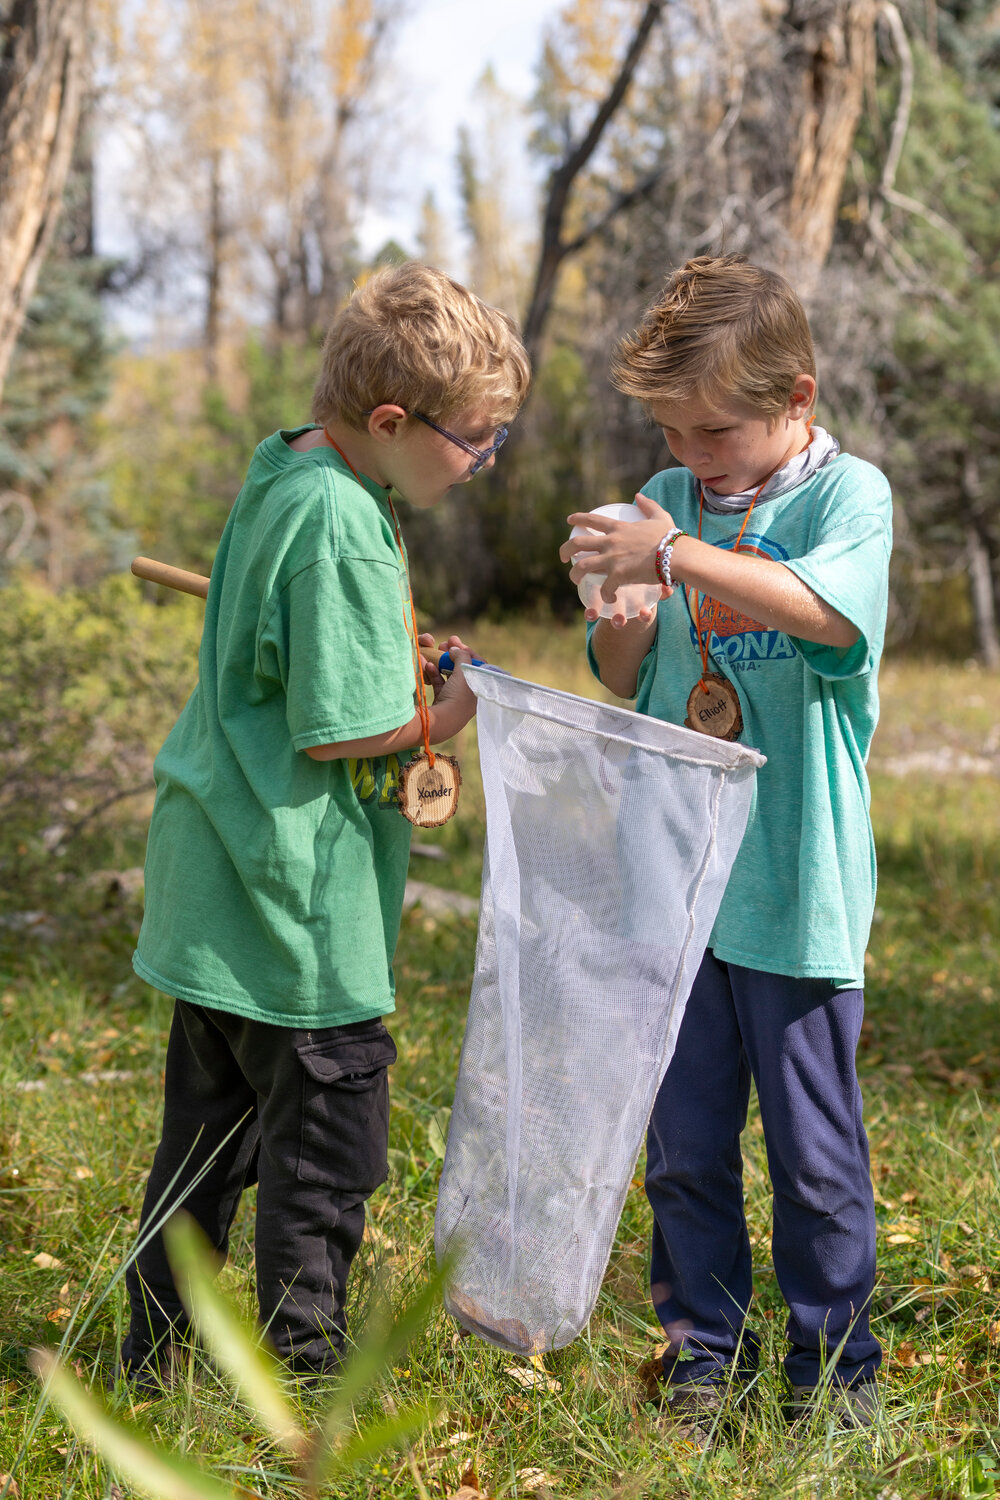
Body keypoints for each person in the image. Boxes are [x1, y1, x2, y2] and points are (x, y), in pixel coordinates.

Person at [121, 262, 531, 1384]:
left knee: (201, 1149)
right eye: (477, 440)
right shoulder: (347, 525)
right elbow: (340, 730)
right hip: (295, 911)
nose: (485, 460)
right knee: (324, 1157)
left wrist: (388, 650)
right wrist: (449, 708)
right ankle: (306, 1378)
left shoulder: (286, 468)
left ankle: (151, 1365)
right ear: (394, 421)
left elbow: (299, 648)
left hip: (215, 891)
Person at [560, 254, 891, 1435]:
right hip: (675, 890)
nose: (693, 455)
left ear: (795, 396)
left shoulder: (847, 500)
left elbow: (826, 616)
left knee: (812, 1160)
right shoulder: (665, 495)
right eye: (672, 429)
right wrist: (622, 608)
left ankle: (833, 1374)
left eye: (715, 428)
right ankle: (703, 1358)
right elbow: (623, 678)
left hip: (793, 889)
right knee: (685, 1148)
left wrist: (674, 557)